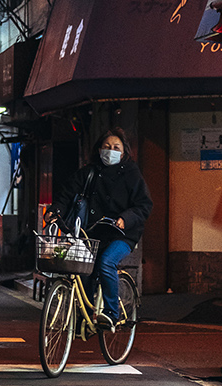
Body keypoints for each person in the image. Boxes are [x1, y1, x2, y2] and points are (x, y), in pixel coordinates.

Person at [55, 129, 153, 330]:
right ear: (99, 150)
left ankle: (111, 313)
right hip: (93, 232)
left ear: (124, 151)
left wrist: (125, 218)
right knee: (82, 268)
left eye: (116, 147)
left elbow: (144, 205)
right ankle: (85, 314)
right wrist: (55, 211)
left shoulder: (132, 174)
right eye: (107, 147)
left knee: (106, 261)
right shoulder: (88, 173)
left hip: (123, 234)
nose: (111, 151)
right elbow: (66, 194)